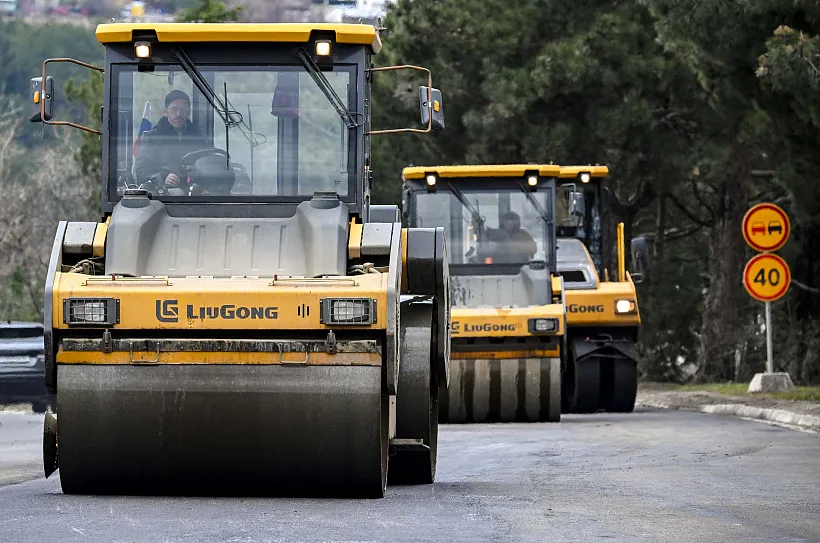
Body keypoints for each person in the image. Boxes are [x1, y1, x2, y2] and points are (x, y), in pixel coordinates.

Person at [134, 90, 209, 189]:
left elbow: (207, 166)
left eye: (183, 110)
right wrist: (162, 178)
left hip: (194, 192)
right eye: (174, 109)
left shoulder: (198, 138)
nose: (178, 114)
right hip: (163, 194)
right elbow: (141, 172)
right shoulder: (152, 138)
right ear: (166, 112)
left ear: (189, 112)